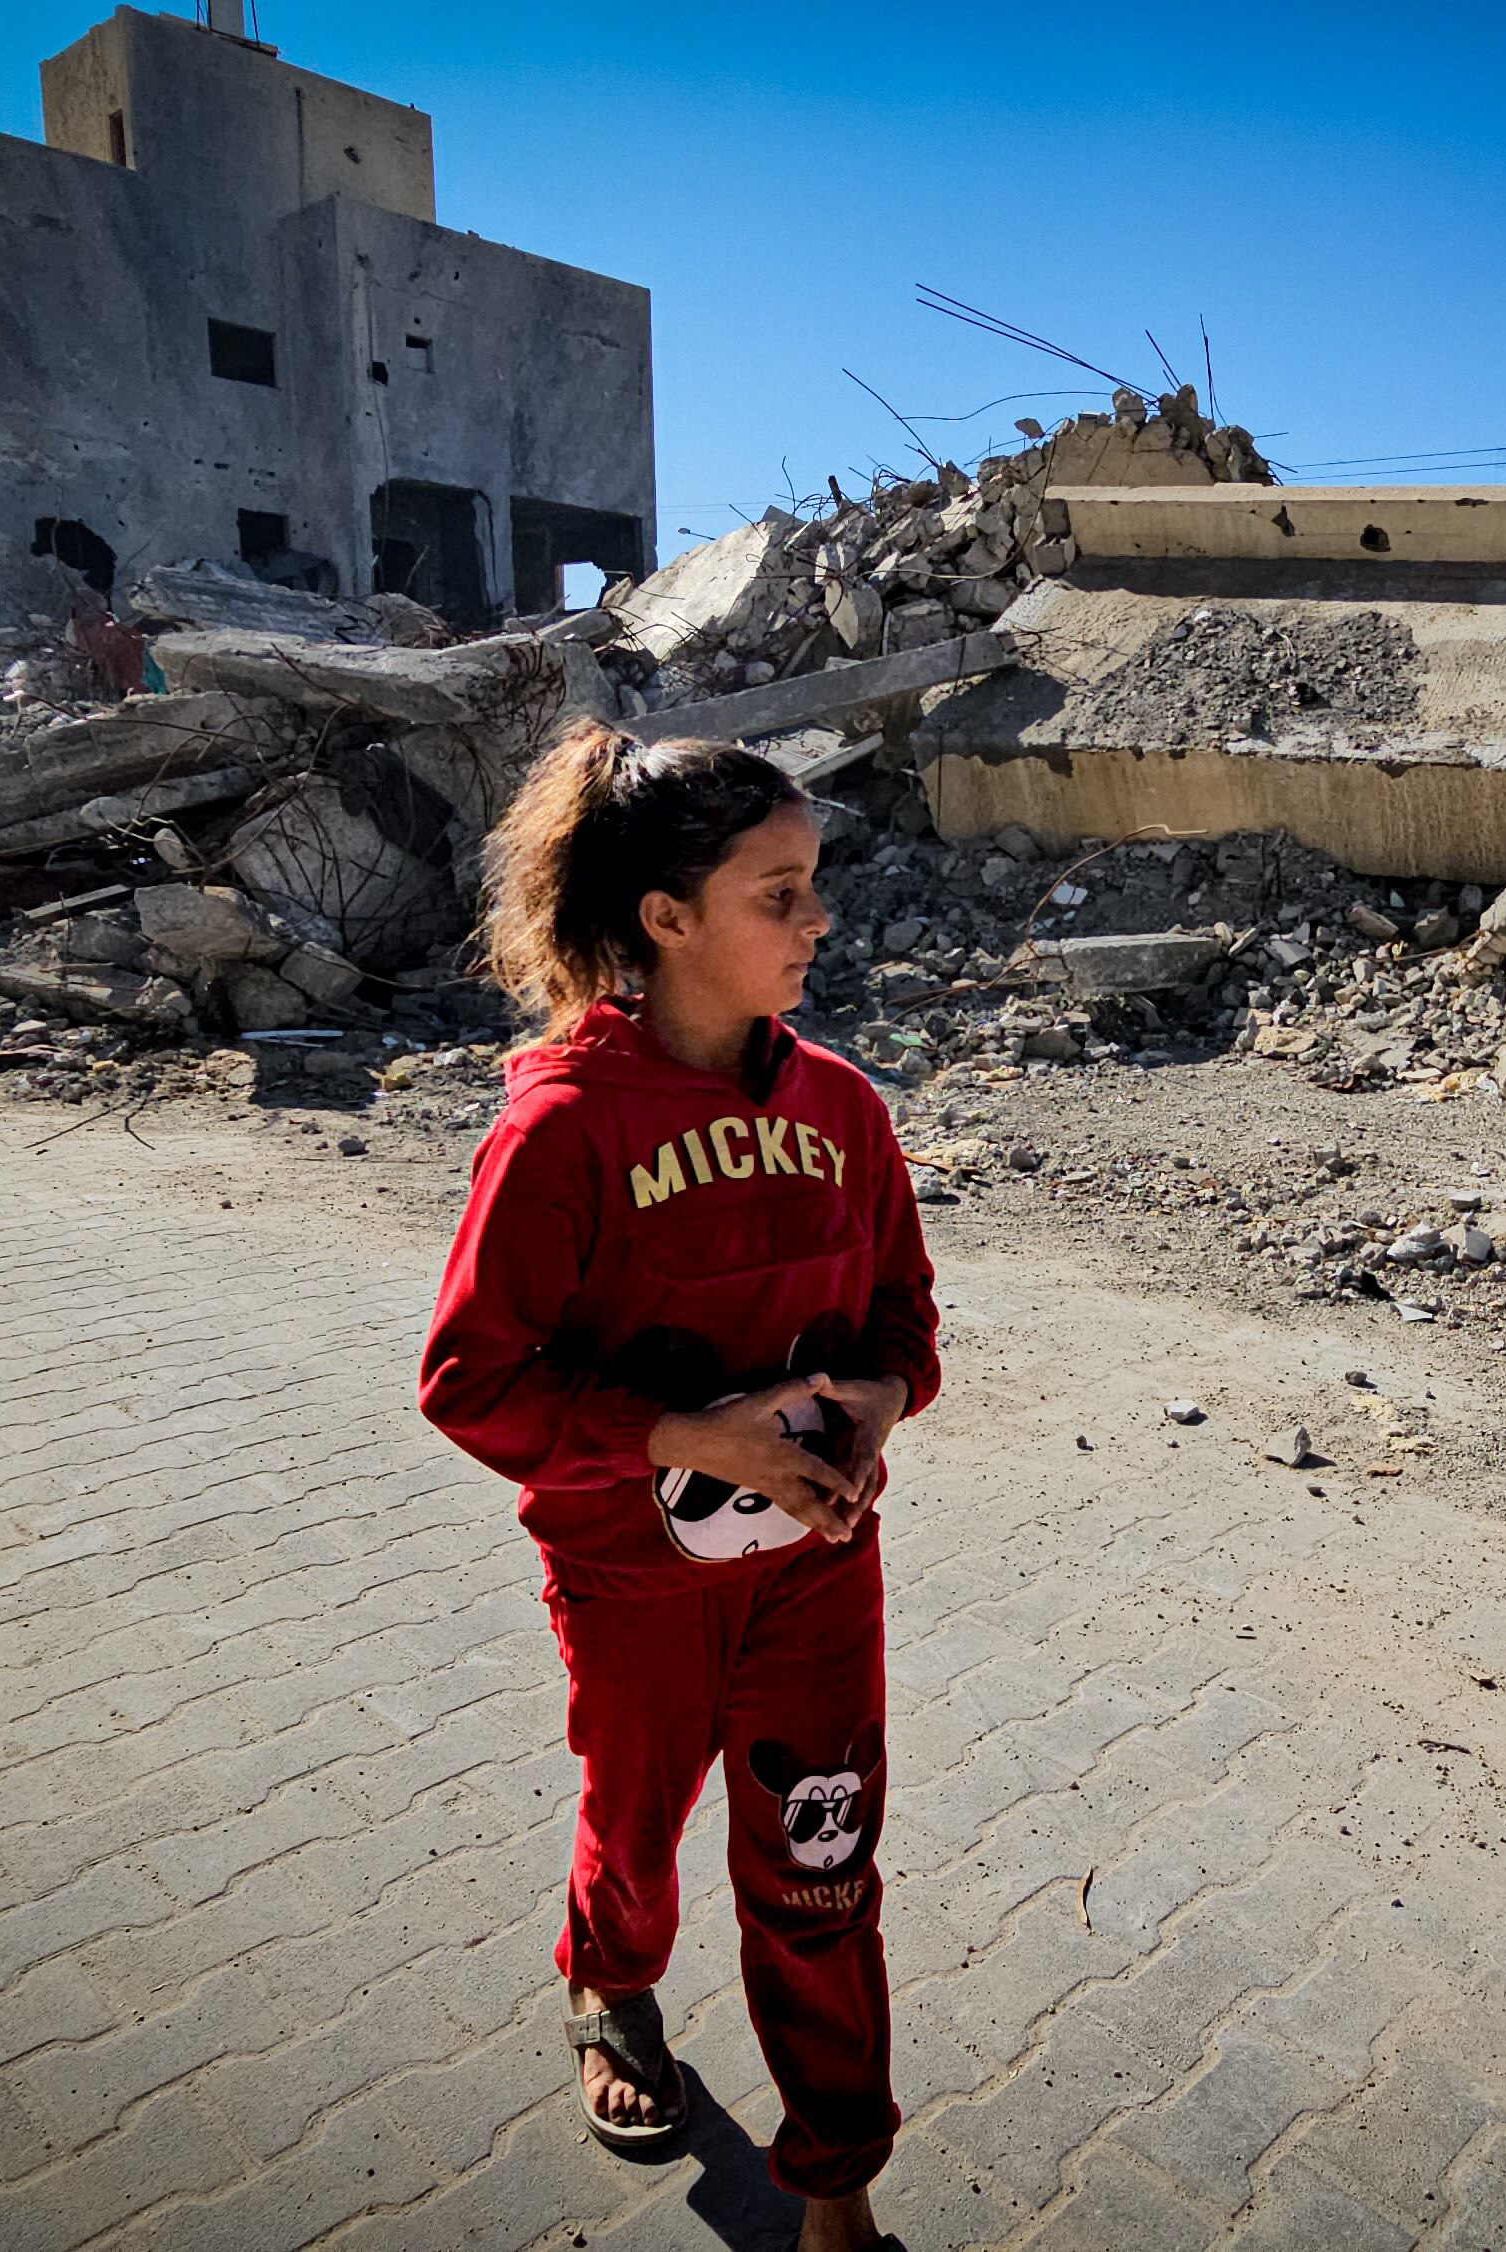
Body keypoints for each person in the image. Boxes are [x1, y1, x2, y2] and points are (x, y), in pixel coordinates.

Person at [419, 723, 931, 2249]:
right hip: (632, 1585)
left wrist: (877, 1404)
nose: (818, 919)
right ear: (666, 917)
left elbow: (905, 1323)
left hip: (818, 1581)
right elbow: (471, 1382)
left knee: (821, 1870)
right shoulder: (563, 1129)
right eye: (779, 893)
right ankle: (613, 1984)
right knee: (635, 1833)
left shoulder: (844, 1110)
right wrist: (694, 1439)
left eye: (814, 883)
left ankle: (836, 2192)